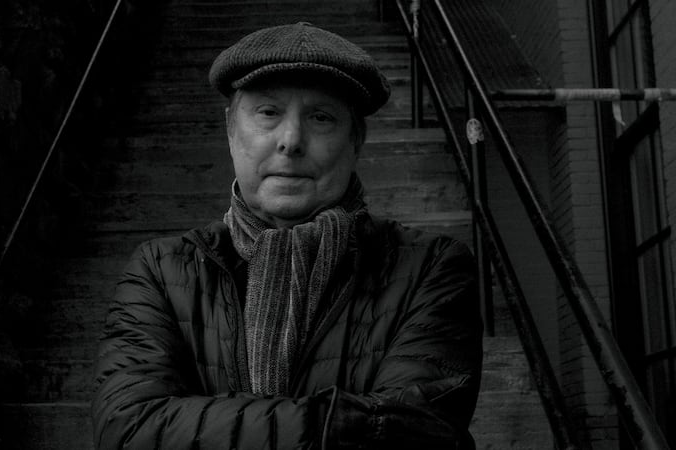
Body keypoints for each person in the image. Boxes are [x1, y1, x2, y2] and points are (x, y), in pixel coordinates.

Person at [92, 22, 483, 449]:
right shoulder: (162, 271)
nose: (291, 140)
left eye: (321, 117)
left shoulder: (431, 268)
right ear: (230, 128)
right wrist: (348, 421)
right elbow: (127, 428)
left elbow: (420, 434)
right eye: (268, 112)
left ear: (356, 140)